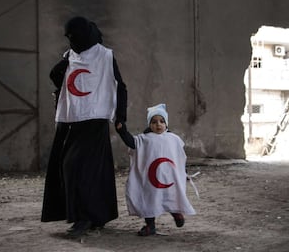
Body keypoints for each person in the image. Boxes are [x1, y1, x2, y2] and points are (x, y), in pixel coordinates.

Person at [41, 16, 127, 238]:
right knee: (71, 167)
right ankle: (94, 216)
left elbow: (120, 86)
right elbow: (55, 73)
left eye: (74, 36)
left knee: (80, 168)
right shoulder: (71, 55)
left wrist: (120, 117)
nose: (72, 40)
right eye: (68, 37)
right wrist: (61, 88)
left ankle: (85, 218)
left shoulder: (105, 55)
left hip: (95, 119)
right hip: (71, 119)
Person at [116, 103, 195, 236]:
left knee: (170, 196)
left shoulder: (174, 139)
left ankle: (177, 214)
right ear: (149, 124)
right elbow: (131, 142)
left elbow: (180, 157)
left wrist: (183, 172)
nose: (158, 124)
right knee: (149, 200)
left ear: (166, 123)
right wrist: (122, 131)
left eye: (162, 121)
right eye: (154, 122)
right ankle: (150, 226)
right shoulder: (144, 139)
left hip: (169, 178)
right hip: (149, 180)